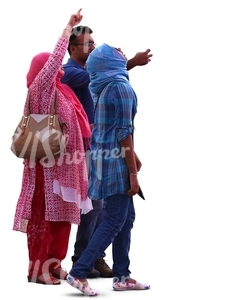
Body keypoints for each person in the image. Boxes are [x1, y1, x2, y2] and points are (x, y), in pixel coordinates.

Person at [61, 25, 153, 278]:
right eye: (88, 44)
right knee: (99, 210)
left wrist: (131, 154)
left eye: (94, 44)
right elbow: (122, 128)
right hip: (95, 152)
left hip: (104, 149)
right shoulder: (72, 72)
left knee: (117, 215)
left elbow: (115, 126)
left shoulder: (107, 81)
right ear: (72, 48)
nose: (92, 48)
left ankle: (113, 269)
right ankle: (82, 263)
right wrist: (129, 62)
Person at [12, 9, 92, 285]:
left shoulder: (62, 91)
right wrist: (69, 28)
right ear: (43, 69)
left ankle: (55, 263)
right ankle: (37, 269)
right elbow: (56, 59)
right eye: (51, 65)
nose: (57, 68)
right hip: (46, 168)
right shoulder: (39, 89)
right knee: (43, 217)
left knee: (63, 217)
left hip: (66, 169)